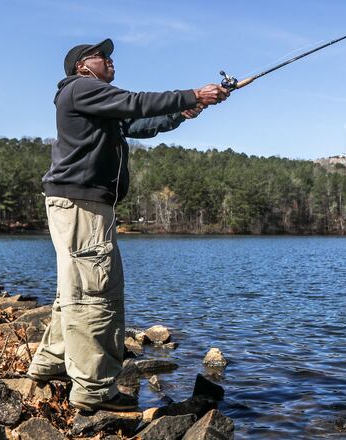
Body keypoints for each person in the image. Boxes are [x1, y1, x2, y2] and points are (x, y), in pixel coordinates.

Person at [27, 38, 229, 411]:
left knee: (75, 288)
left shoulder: (96, 104)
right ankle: (94, 392)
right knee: (95, 293)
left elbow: (140, 122)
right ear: (82, 66)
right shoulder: (81, 88)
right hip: (82, 205)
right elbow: (135, 102)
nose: (111, 61)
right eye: (103, 56)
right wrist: (191, 93)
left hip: (78, 204)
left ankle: (50, 364)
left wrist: (187, 110)